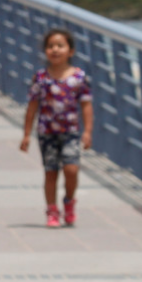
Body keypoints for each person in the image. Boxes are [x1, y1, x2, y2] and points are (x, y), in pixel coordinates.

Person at [20, 29, 93, 227]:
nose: (55, 50)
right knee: (50, 172)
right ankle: (51, 209)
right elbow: (32, 106)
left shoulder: (79, 77)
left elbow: (86, 105)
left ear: (70, 51)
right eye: (51, 46)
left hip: (70, 132)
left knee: (71, 169)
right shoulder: (41, 77)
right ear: (45, 51)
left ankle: (69, 201)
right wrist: (26, 134)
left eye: (60, 46)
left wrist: (87, 132)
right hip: (47, 133)